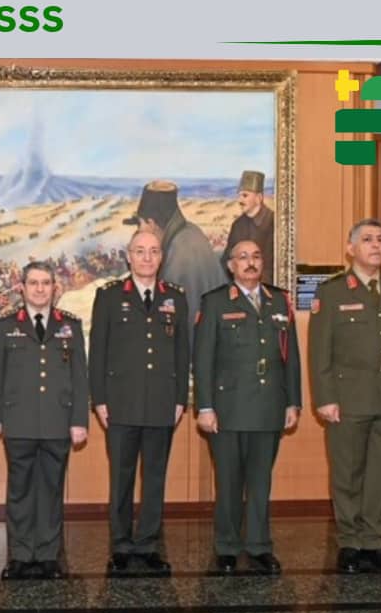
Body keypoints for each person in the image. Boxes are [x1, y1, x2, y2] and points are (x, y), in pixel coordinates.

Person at [308, 218, 381, 576]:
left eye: (380, 240)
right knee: (348, 472)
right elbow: (319, 352)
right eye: (367, 240)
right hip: (348, 398)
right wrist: (325, 398)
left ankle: (374, 542)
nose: (376, 245)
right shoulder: (333, 292)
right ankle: (350, 543)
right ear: (350, 248)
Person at [193, 239, 301, 575]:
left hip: (269, 406)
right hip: (227, 409)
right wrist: (205, 406)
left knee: (260, 482)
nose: (250, 262)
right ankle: (226, 546)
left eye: (256, 256)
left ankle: (259, 546)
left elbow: (291, 357)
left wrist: (293, 401)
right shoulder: (215, 302)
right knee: (228, 482)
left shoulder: (279, 300)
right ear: (231, 265)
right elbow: (203, 359)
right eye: (242, 257)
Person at [89, 228, 188, 575]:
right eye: (140, 251)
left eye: (154, 251)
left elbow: (182, 352)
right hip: (120, 403)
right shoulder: (110, 296)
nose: (147, 257)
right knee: (121, 477)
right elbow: (97, 351)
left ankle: (147, 544)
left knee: (155, 478)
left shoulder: (175, 297)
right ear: (128, 256)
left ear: (162, 257)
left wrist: (180, 399)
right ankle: (120, 545)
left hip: (162, 402)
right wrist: (99, 399)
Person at [0, 262, 88, 580]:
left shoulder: (70, 325)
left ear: (55, 288)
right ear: (22, 288)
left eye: (46, 283)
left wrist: (79, 420)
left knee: (51, 490)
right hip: (19, 421)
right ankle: (19, 555)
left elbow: (79, 377)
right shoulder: (5, 326)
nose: (40, 289)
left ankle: (47, 555)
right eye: (34, 283)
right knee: (20, 491)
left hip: (58, 421)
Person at [124, 180, 227, 343]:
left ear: (151, 223)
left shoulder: (181, 256)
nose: (139, 231)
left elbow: (179, 324)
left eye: (140, 224)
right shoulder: (190, 232)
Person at [223, 170, 276, 285]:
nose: (240, 200)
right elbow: (227, 260)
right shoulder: (237, 225)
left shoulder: (274, 223)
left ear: (259, 198)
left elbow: (273, 267)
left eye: (245, 195)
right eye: (239, 195)